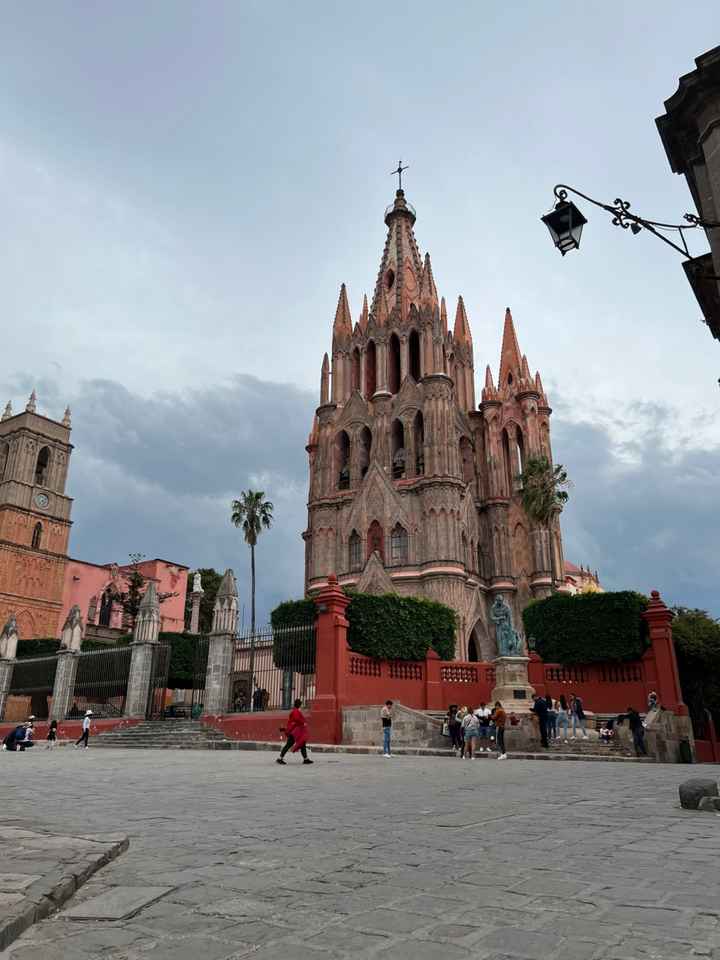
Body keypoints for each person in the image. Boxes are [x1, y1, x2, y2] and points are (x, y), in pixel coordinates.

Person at [277, 699, 313, 765]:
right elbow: (296, 719)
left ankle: (306, 759)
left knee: (302, 744)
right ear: (299, 705)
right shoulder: (296, 711)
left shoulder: (295, 711)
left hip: (296, 731)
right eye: (301, 704)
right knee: (289, 744)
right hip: (294, 732)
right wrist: (303, 723)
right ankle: (280, 758)